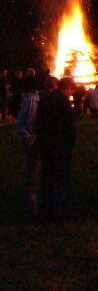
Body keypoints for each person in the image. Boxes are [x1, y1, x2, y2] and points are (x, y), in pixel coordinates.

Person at [34, 77, 76, 221]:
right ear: (68, 88)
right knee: (62, 181)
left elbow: (37, 122)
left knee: (47, 179)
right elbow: (70, 127)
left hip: (46, 146)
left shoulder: (45, 100)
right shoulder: (64, 103)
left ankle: (44, 211)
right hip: (60, 147)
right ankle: (61, 212)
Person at [16, 70, 40, 215]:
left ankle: (37, 203)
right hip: (33, 141)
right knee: (33, 173)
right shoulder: (31, 100)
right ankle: (31, 205)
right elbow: (21, 124)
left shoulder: (35, 99)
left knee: (37, 172)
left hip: (39, 140)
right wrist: (29, 140)